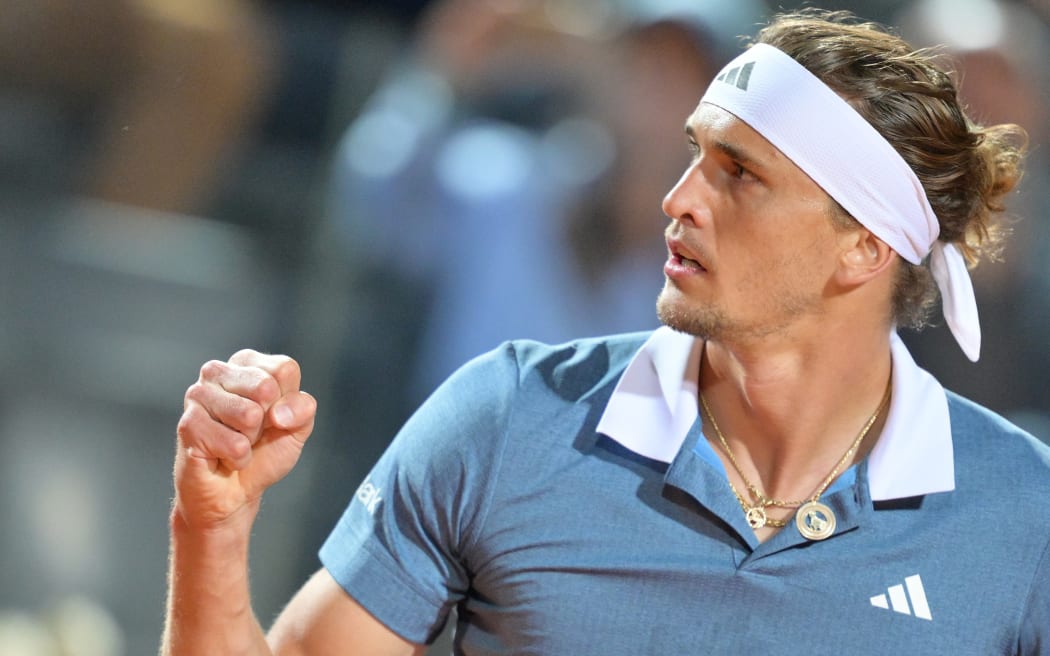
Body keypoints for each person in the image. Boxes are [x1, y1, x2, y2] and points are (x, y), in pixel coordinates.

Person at [161, 9, 1050, 655]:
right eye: (693, 153)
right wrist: (213, 531)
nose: (678, 198)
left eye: (738, 174)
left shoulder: (1025, 516)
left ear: (863, 247)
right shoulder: (505, 417)